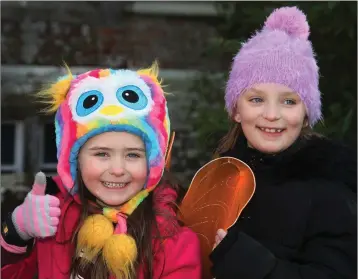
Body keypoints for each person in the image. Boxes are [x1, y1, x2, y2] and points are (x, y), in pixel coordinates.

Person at [1, 63, 201, 279]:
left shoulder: (174, 241)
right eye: (102, 154)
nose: (117, 169)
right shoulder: (52, 222)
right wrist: (17, 230)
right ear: (75, 160)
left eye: (133, 155)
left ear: (153, 163)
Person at [209, 6, 357, 279]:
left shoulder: (330, 191)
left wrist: (251, 263)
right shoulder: (220, 177)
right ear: (236, 110)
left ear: (305, 115)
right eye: (256, 99)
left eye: (289, 101)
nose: (272, 115)